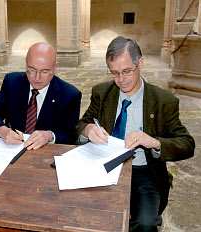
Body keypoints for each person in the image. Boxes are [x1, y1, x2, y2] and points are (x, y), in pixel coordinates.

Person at [75, 36, 195, 231]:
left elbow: (187, 144)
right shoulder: (102, 92)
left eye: (127, 71)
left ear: (140, 63)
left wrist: (155, 142)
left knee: (147, 223)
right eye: (114, 73)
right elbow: (82, 124)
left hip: (143, 171)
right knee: (80, 212)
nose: (121, 80)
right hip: (103, 166)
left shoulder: (163, 101)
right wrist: (88, 130)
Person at [0, 42, 81, 150]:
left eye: (45, 71)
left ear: (55, 68)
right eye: (32, 69)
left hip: (45, 157)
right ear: (26, 64)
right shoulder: (12, 83)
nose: (37, 78)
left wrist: (50, 136)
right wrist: (1, 130)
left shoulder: (69, 95)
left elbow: (70, 136)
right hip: (12, 150)